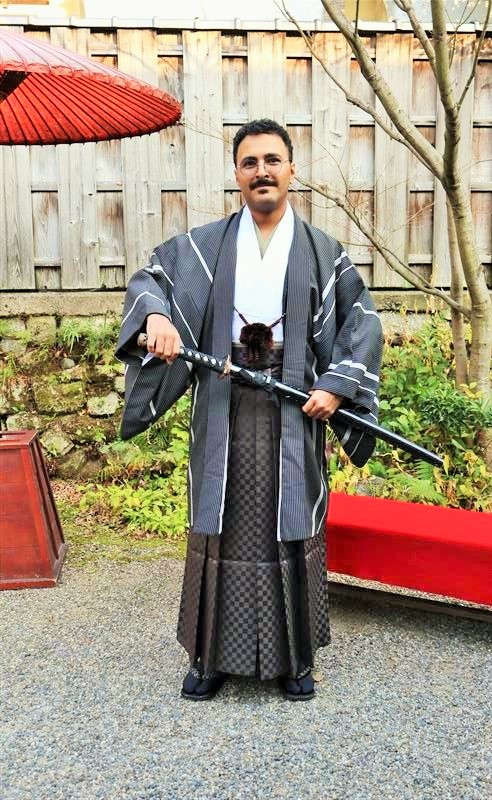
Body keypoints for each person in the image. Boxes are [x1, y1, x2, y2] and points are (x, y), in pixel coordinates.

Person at [116, 119, 383, 702]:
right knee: (220, 523)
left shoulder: (324, 252)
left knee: (291, 522)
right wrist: (156, 317)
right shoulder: (205, 246)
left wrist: (337, 387)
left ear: (291, 170)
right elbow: (150, 279)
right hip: (222, 401)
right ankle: (210, 656)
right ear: (237, 174)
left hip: (296, 406)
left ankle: (295, 659)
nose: (262, 171)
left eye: (272, 160)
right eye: (249, 162)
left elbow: (361, 323)